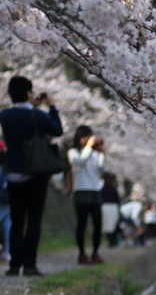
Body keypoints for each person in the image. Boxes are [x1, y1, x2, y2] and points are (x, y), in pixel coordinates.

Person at [0, 75, 63, 276]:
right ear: (29, 93)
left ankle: (14, 265)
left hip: (13, 175)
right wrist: (51, 106)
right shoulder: (38, 115)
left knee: (17, 222)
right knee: (34, 221)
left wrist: (30, 105)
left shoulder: (4, 116)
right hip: (36, 175)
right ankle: (30, 264)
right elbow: (58, 130)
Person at [66, 125, 105, 264]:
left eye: (88, 137)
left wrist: (101, 153)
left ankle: (95, 253)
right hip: (81, 191)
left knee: (98, 225)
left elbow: (101, 168)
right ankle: (82, 254)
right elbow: (80, 162)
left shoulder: (94, 154)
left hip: (95, 191)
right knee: (82, 224)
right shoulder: (73, 152)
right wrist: (88, 148)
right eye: (84, 137)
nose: (87, 140)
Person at [100, 172, 121, 247]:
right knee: (113, 224)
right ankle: (113, 241)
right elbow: (118, 200)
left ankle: (111, 241)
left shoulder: (102, 189)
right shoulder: (114, 189)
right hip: (113, 207)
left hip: (105, 207)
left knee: (107, 225)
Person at [0, 166, 10, 261]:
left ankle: (6, 251)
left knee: (7, 226)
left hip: (4, 202)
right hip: (9, 201)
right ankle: (7, 251)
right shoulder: (6, 170)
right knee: (7, 226)